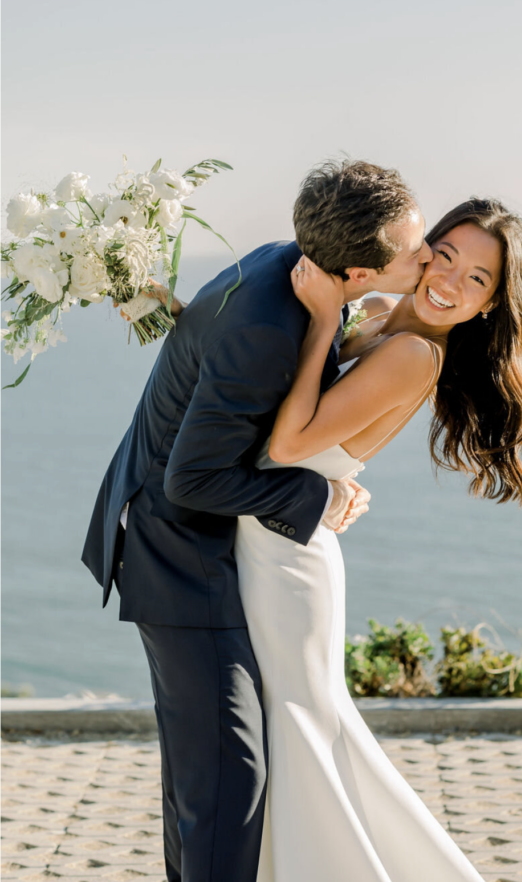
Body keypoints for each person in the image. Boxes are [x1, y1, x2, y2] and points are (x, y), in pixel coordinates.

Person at [81, 159, 433, 882]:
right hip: (180, 557)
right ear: (360, 273)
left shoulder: (285, 263)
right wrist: (319, 499)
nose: (427, 256)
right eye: (414, 249)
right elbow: (196, 476)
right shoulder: (272, 327)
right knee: (227, 784)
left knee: (205, 783)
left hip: (184, 540)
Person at [233, 196, 522, 881]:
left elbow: (287, 444)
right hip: (278, 535)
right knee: (310, 735)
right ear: (421, 249)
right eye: (447, 256)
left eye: (477, 281)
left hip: (285, 559)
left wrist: (320, 318)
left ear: (491, 305)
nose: (449, 282)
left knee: (299, 735)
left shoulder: (412, 353)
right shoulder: (378, 319)